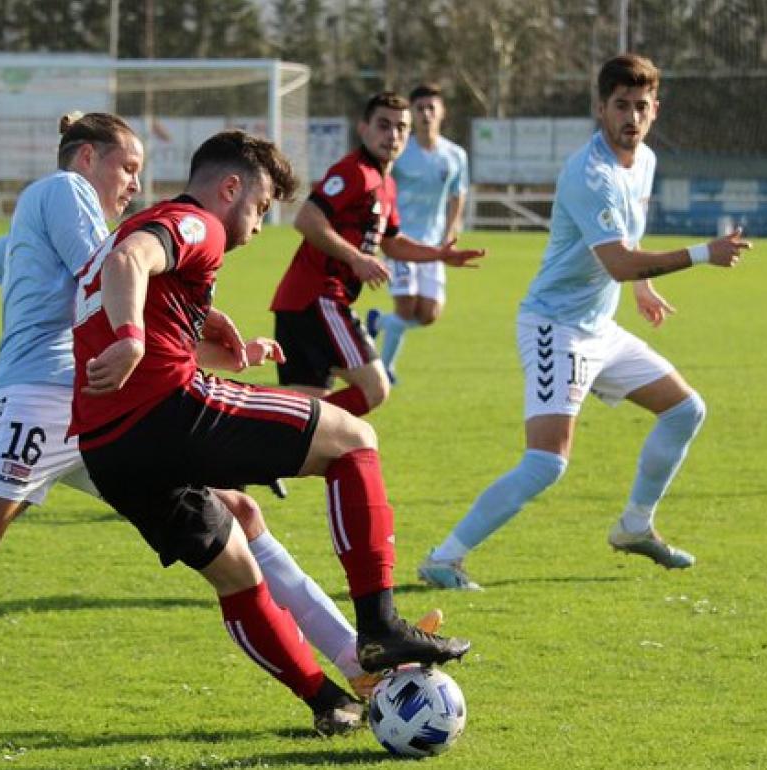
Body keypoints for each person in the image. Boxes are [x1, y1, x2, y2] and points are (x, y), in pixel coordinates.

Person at [0, 114, 410, 737]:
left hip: (98, 407)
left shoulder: (48, 215)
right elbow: (114, 268)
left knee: (236, 516)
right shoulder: (63, 193)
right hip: (38, 402)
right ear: (86, 157)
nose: (136, 182)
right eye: (126, 166)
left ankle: (353, 661)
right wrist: (207, 321)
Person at [70, 129, 472, 733]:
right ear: (229, 187)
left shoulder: (143, 222)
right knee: (353, 440)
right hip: (169, 412)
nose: (258, 225)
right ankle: (380, 626)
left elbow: (129, 278)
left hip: (108, 449)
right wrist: (132, 337)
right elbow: (134, 264)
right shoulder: (195, 222)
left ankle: (326, 702)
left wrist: (202, 341)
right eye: (259, 206)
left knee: (236, 569)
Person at [417, 54, 751, 591]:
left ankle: (634, 526)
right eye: (621, 105)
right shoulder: (588, 173)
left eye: (642, 106)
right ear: (601, 108)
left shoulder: (644, 162)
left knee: (686, 410)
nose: (632, 117)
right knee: (547, 463)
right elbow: (617, 261)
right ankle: (444, 557)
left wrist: (643, 287)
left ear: (655, 110)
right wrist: (701, 254)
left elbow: (629, 245)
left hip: (601, 329)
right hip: (555, 328)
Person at [268, 92, 483, 420]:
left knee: (308, 408)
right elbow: (307, 218)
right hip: (319, 299)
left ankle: (266, 446)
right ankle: (287, 433)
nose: (393, 135)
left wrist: (439, 254)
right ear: (363, 128)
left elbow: (393, 243)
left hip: (300, 304)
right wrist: (356, 258)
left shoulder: (386, 184)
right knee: (374, 388)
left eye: (401, 128)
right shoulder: (354, 171)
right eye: (384, 125)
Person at [365, 82, 470, 385]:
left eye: (431, 108)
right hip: (401, 241)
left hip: (434, 244)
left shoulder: (455, 155)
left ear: (442, 112)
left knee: (428, 314)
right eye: (420, 108)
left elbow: (457, 194)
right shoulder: (401, 151)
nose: (425, 114)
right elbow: (380, 186)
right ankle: (384, 369)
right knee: (406, 306)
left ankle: (377, 322)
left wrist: (450, 233)